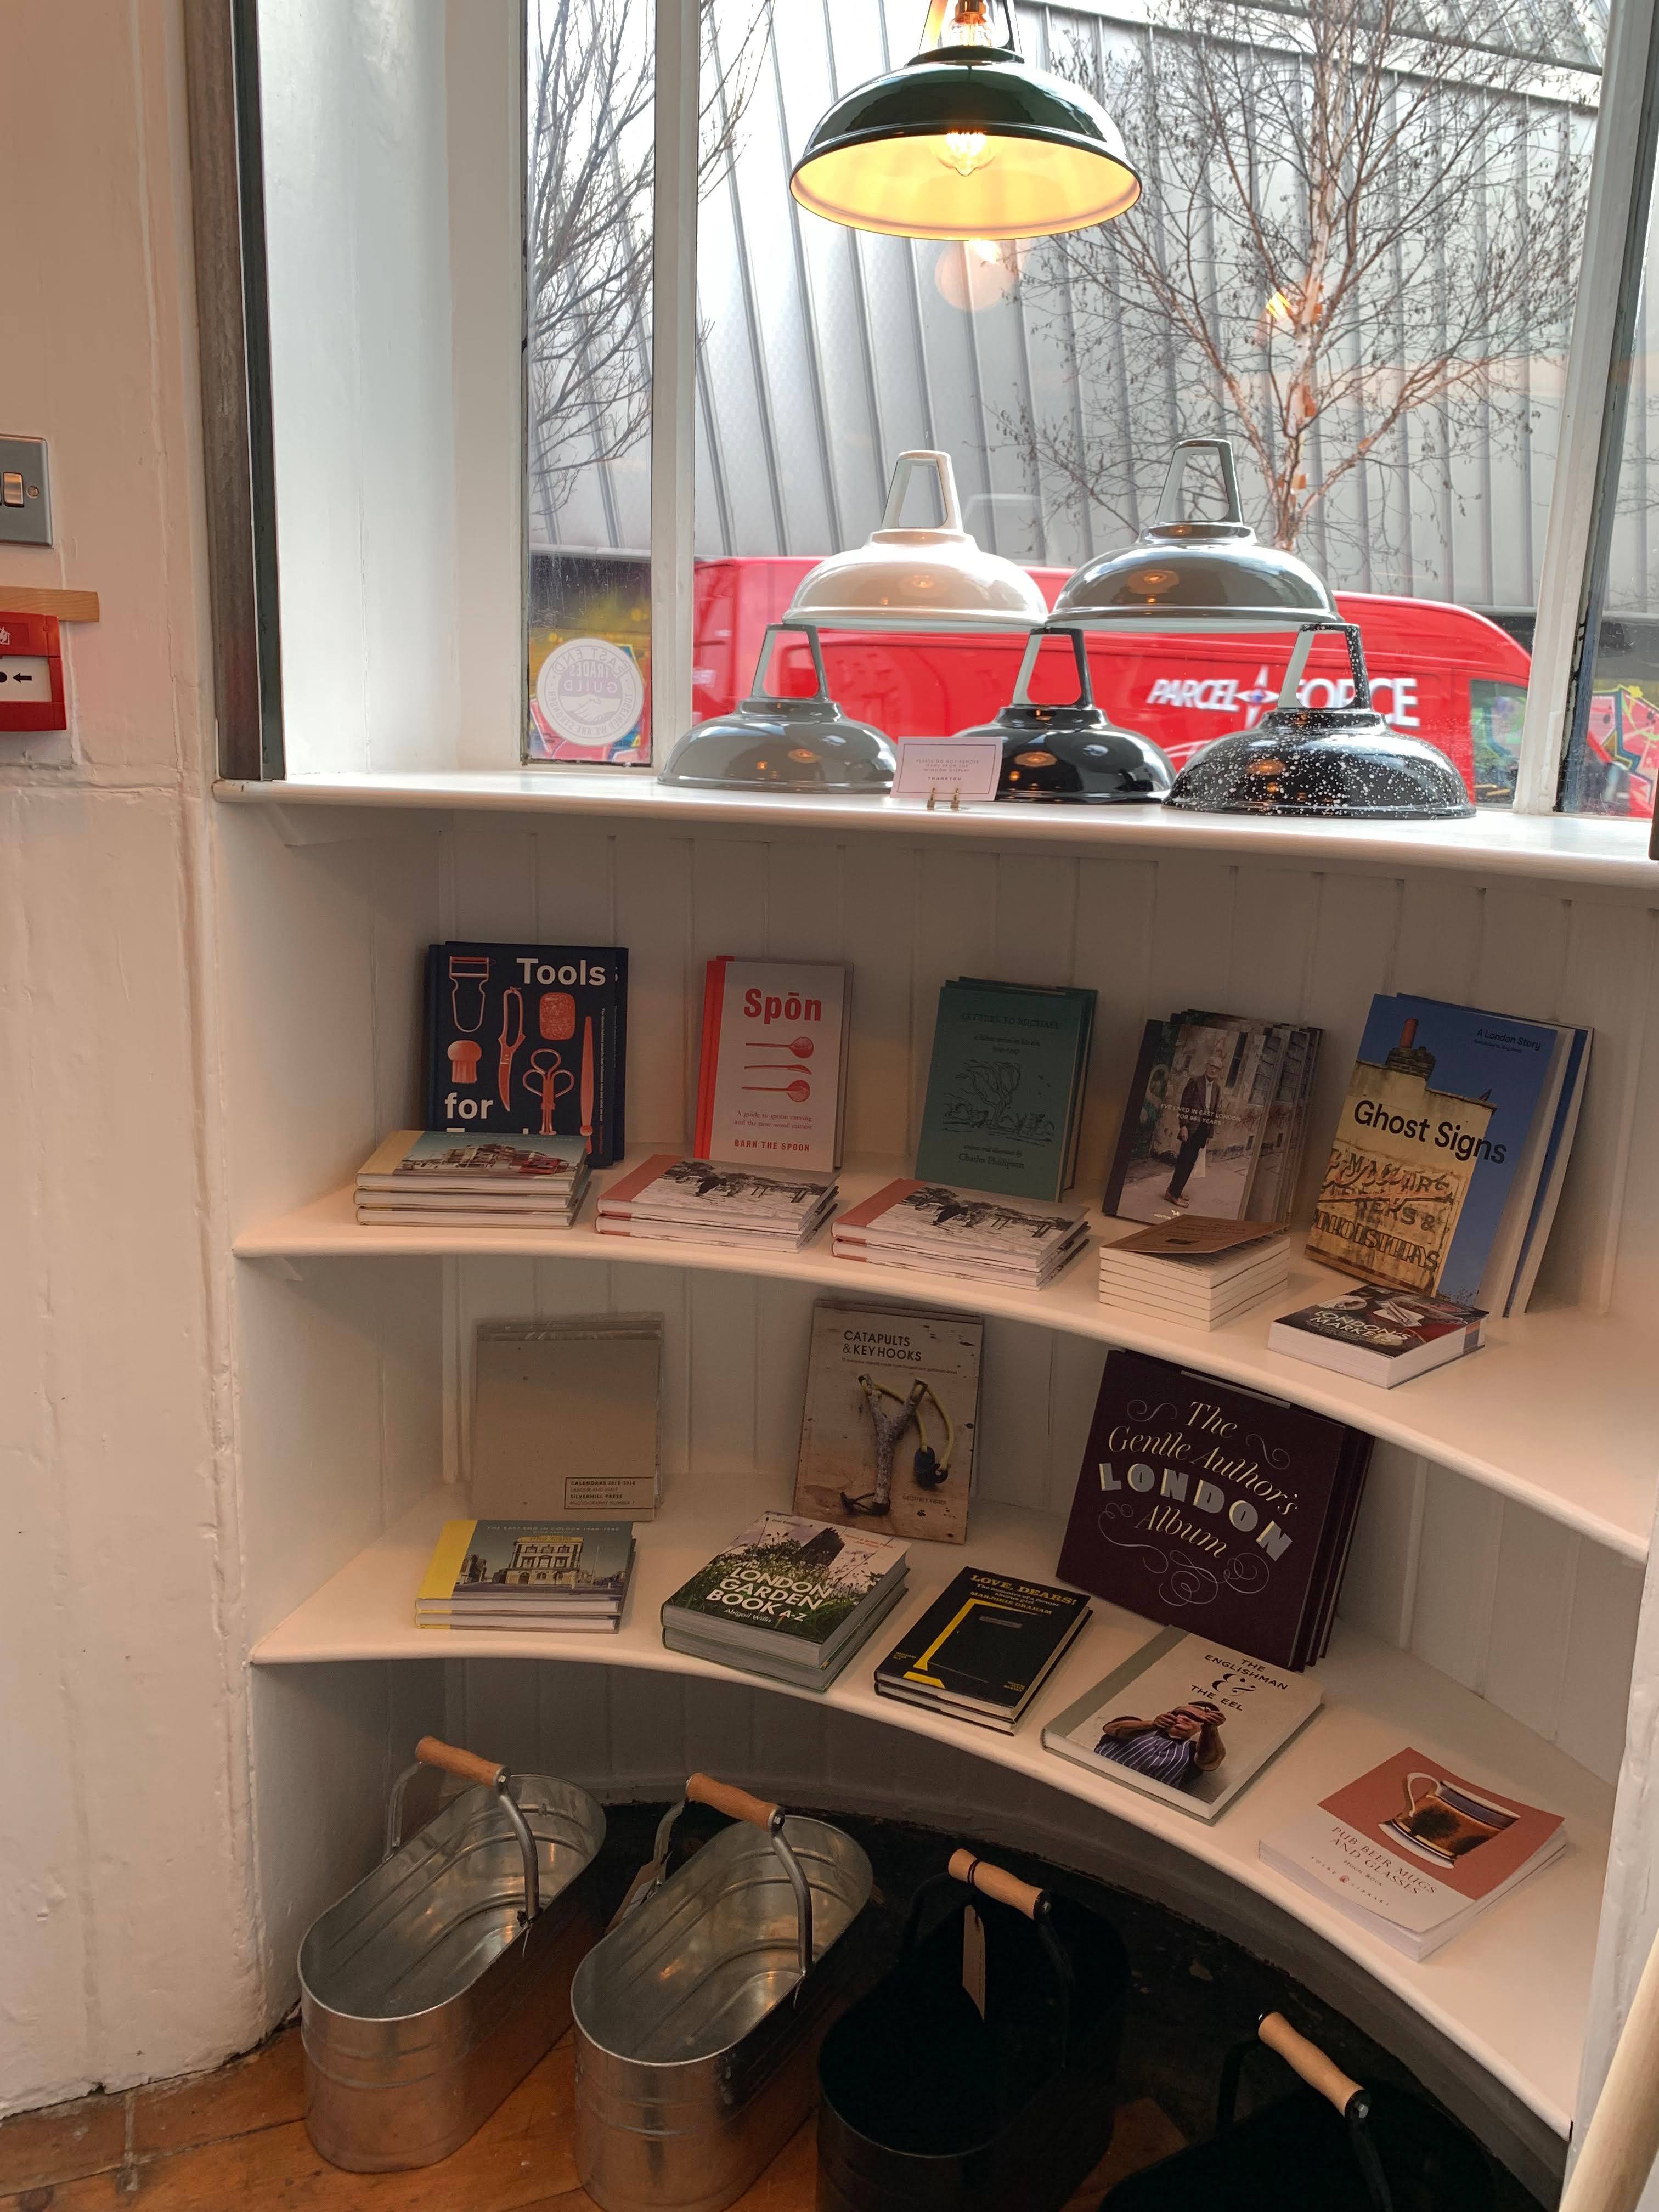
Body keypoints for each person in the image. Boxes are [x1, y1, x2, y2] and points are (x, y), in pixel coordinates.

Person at [1093, 1701, 1227, 1791]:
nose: (1185, 1718)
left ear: (1200, 1728)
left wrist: (1210, 1729)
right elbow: (1112, 1729)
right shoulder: (1134, 1726)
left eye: (1196, 1719)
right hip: (1093, 1778)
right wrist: (1153, 1725)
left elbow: (1210, 1761)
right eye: (1181, 1714)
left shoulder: (1193, 1751)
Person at [1164, 1045, 1227, 1205]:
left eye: (1217, 1068)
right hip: (1191, 1128)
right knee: (1184, 1162)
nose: (1213, 1070)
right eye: (1212, 1066)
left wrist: (1209, 1134)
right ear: (1207, 1066)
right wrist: (1183, 1126)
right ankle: (1174, 1194)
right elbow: (1184, 1105)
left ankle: (1174, 1191)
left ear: (1220, 1071)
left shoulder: (1217, 1089)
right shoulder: (1195, 1082)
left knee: (1190, 1163)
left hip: (1203, 1130)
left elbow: (1213, 1113)